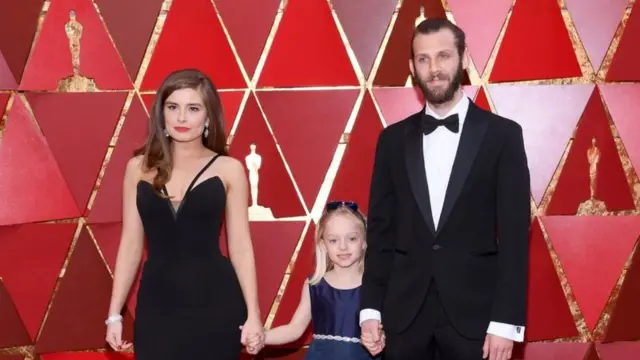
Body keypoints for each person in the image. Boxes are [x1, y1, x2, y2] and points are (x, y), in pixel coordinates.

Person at [360, 18, 531, 360]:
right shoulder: (391, 140)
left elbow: (514, 237)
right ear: (412, 68)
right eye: (423, 59)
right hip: (403, 318)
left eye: (444, 56)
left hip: (478, 321)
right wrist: (370, 311)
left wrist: (504, 323)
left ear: (463, 59)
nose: (434, 69)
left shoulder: (503, 136)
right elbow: (381, 233)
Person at [104, 69, 264, 359]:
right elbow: (130, 244)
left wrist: (254, 314)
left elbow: (240, 246)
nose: (181, 118)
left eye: (193, 108)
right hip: (157, 305)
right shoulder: (137, 168)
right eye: (173, 107)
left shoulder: (229, 169)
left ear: (207, 117)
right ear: (161, 113)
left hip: (216, 303)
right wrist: (114, 314)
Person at [262, 201, 383, 359]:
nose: (343, 247)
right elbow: (294, 329)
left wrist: (381, 337)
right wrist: (261, 337)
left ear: (365, 242)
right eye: (333, 240)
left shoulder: (377, 286)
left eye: (352, 239)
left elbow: (390, 330)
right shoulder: (314, 286)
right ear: (323, 244)